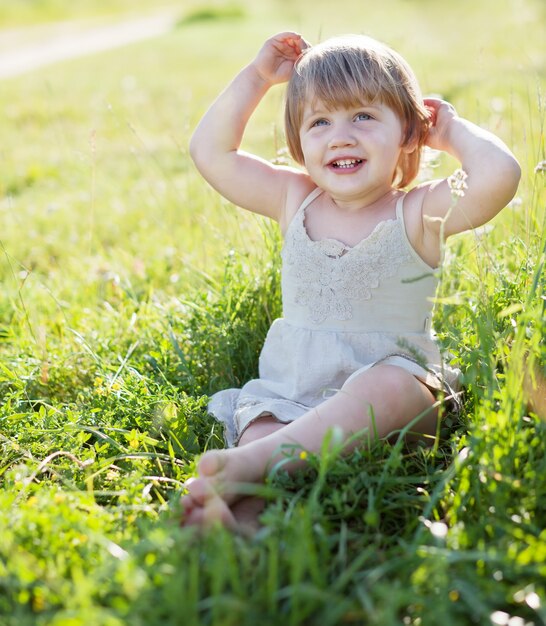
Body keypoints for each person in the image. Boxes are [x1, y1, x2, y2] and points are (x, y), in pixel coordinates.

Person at [182, 32, 521, 532]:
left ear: (408, 133)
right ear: (299, 147)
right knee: (265, 427)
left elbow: (500, 175)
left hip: (389, 411)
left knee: (389, 386)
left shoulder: (417, 212)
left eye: (363, 116)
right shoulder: (294, 199)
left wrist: (450, 130)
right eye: (320, 122)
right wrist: (257, 79)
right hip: (294, 391)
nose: (341, 136)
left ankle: (251, 469)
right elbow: (210, 151)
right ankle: (236, 522)